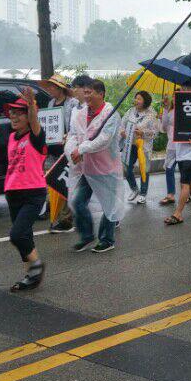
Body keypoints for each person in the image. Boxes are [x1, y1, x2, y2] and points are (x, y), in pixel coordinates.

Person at [66, 79, 126, 253]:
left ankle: (107, 239)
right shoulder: (79, 114)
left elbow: (104, 140)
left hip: (107, 167)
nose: (86, 96)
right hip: (87, 168)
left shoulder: (111, 115)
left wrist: (81, 149)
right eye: (84, 93)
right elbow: (72, 135)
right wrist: (72, 150)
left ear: (101, 94)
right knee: (78, 202)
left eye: (89, 93)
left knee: (110, 205)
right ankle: (86, 236)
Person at [1, 88, 48, 291]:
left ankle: (37, 267)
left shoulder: (36, 136)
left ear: (29, 116)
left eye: (19, 112)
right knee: (25, 236)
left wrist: (30, 106)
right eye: (12, 112)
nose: (14, 115)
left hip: (33, 192)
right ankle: (30, 276)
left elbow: (35, 124)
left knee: (17, 235)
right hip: (13, 192)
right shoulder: (12, 137)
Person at [163, 83, 191, 226]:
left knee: (184, 184)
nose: (183, 92)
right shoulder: (177, 111)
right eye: (182, 90)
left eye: (186, 90)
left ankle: (178, 214)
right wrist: (166, 108)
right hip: (180, 152)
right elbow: (164, 128)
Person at [40, 74, 79, 233]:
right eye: (49, 86)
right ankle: (59, 216)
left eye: (52, 86)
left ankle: (67, 218)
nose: (50, 89)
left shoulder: (73, 103)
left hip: (66, 148)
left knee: (64, 183)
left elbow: (77, 124)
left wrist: (68, 136)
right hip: (52, 150)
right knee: (52, 181)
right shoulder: (50, 103)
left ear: (60, 88)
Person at [120, 91, 159, 204]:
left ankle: (143, 193)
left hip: (143, 146)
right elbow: (122, 123)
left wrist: (143, 133)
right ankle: (134, 189)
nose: (136, 101)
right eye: (135, 98)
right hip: (130, 145)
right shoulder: (130, 111)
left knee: (144, 169)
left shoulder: (151, 114)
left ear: (145, 101)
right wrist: (122, 131)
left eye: (139, 99)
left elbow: (155, 132)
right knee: (126, 167)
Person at [159, 94, 178, 206]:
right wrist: (166, 109)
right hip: (172, 146)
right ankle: (170, 194)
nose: (175, 98)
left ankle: (189, 194)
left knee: (187, 174)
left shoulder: (186, 112)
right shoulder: (170, 111)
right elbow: (164, 128)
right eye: (174, 96)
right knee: (169, 169)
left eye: (177, 96)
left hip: (185, 146)